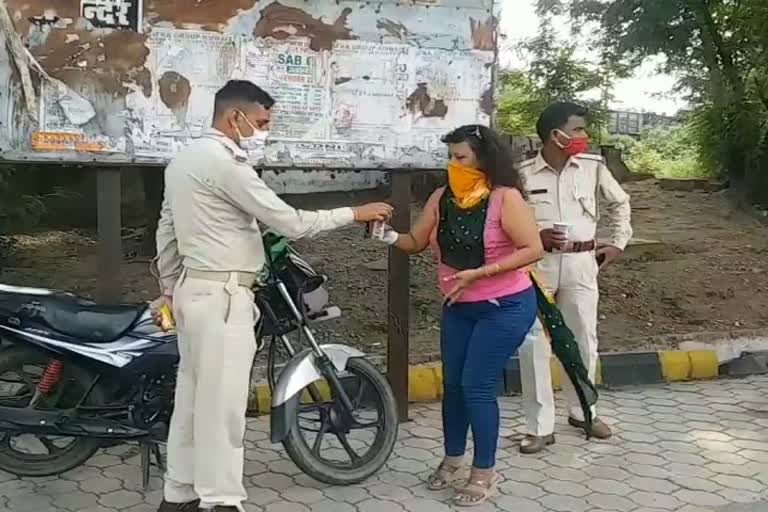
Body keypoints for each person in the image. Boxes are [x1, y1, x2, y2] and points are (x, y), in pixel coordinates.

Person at [152, 79, 393, 512]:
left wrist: (169, 289)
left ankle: (179, 494)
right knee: (222, 408)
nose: (263, 130)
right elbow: (291, 222)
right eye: (261, 122)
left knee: (190, 400)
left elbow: (167, 231)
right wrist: (354, 212)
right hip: (225, 295)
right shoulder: (225, 164)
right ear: (234, 117)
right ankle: (222, 500)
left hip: (192, 291)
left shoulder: (183, 160)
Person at [377, 125, 544, 506]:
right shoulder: (441, 197)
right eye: (450, 157)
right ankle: (453, 458)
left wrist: (481, 273)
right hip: (459, 306)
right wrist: (384, 234)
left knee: (477, 386)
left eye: (461, 157)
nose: (453, 164)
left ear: (484, 159)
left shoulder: (505, 198)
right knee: (453, 386)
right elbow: (415, 243)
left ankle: (484, 471)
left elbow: (533, 248)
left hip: (505, 305)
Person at [516, 102, 633, 454]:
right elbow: (506, 220)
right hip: (538, 267)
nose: (585, 136)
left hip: (583, 262)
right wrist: (535, 239)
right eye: (579, 129)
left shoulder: (593, 168)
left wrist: (617, 242)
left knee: (583, 339)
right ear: (557, 135)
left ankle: (584, 412)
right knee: (534, 343)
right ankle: (539, 427)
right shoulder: (522, 173)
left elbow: (620, 203)